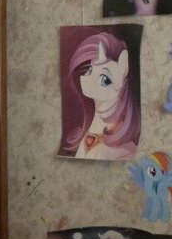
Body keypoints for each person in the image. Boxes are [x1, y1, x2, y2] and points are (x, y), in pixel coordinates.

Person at [58, 31, 141, 160]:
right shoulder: (88, 137)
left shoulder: (124, 153)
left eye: (104, 79)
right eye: (90, 69)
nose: (86, 77)